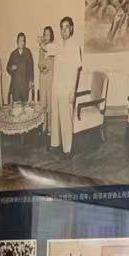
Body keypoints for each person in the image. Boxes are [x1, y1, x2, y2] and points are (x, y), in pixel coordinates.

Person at [50, 16, 83, 155]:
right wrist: (42, 42)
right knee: (55, 118)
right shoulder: (58, 46)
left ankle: (67, 150)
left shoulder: (75, 47)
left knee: (66, 121)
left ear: (71, 29)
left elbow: (76, 71)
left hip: (67, 89)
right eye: (62, 27)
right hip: (56, 88)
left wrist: (72, 91)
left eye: (67, 27)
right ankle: (55, 145)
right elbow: (46, 48)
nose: (64, 30)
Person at [6, 31, 34, 105]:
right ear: (17, 42)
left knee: (25, 106)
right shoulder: (13, 54)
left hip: (25, 85)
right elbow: (7, 68)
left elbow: (31, 68)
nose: (22, 43)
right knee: (16, 107)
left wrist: (31, 81)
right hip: (16, 85)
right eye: (20, 41)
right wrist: (11, 68)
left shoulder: (28, 52)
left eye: (23, 41)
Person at [37, 24, 55, 130]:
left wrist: (47, 68)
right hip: (42, 78)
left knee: (50, 103)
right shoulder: (41, 48)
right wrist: (41, 67)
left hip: (50, 78)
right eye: (45, 34)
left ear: (51, 36)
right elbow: (39, 61)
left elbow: (52, 62)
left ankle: (50, 127)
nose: (46, 36)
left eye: (48, 34)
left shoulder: (52, 47)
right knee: (42, 103)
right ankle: (43, 125)